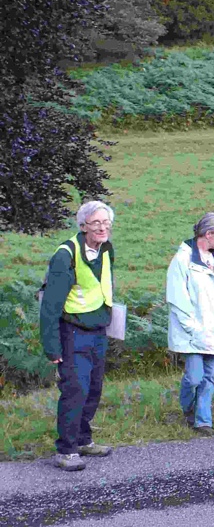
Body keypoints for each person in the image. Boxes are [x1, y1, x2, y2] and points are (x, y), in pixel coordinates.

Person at [39, 201, 117, 471]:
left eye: (106, 223)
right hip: (73, 332)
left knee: (94, 389)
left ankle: (84, 440)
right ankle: (66, 450)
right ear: (82, 226)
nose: (102, 228)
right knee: (75, 391)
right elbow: (50, 305)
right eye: (96, 223)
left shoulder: (107, 249)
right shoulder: (65, 255)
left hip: (98, 331)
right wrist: (52, 347)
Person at [166, 213, 214, 435]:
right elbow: (178, 299)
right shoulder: (182, 261)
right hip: (193, 333)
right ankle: (188, 409)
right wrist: (194, 329)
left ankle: (203, 421)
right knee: (194, 377)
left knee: (209, 378)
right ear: (208, 234)